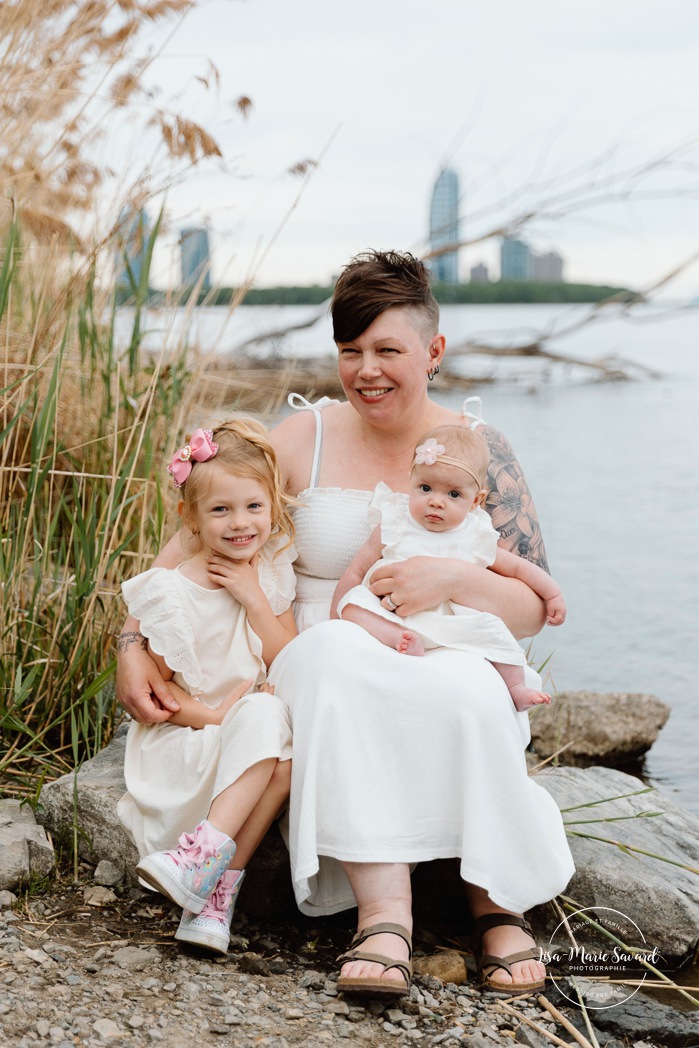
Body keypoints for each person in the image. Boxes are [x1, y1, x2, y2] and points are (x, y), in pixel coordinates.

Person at [116, 250, 574, 998]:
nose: (367, 371)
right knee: (331, 657)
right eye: (349, 351)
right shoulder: (303, 439)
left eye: (388, 350)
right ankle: (383, 911)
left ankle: (496, 904)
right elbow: (189, 542)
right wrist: (131, 642)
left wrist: (454, 579)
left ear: (432, 351)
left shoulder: (479, 452)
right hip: (315, 645)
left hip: (441, 638)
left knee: (469, 691)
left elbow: (530, 609)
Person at [117, 419, 296, 956]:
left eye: (253, 507)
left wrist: (254, 599)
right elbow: (163, 702)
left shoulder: (268, 573)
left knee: (284, 751)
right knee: (267, 724)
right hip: (192, 738)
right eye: (220, 510)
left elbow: (287, 655)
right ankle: (205, 869)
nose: (240, 524)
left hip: (247, 740)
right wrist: (221, 717)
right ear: (190, 518)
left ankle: (213, 886)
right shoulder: (174, 593)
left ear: (273, 508)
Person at [331, 423, 567, 712]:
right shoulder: (395, 520)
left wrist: (552, 594)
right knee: (353, 603)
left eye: (453, 495)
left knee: (495, 632)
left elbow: (517, 569)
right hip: (390, 614)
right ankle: (402, 640)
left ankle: (516, 687)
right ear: (411, 481)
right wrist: (337, 618)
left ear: (476, 501)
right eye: (425, 488)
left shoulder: (474, 533)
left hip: (453, 620)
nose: (436, 501)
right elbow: (357, 570)